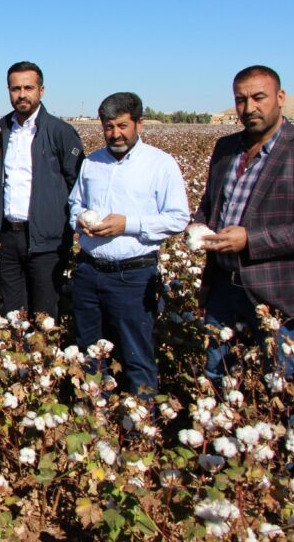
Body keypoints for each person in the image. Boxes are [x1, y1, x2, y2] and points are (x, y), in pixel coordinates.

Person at [191, 65, 294, 383]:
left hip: (277, 293)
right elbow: (210, 206)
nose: (249, 108)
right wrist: (198, 228)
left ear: (280, 98)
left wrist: (250, 239)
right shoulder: (226, 148)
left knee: (279, 382)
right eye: (241, 100)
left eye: (258, 97)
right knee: (217, 372)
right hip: (223, 286)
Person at [68, 92, 189, 398]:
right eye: (108, 127)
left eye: (122, 125)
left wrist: (128, 224)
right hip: (89, 271)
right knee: (90, 353)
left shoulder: (160, 164)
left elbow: (178, 218)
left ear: (139, 123)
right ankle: (97, 423)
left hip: (133, 277)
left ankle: (141, 431)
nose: (115, 134)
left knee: (137, 356)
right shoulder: (92, 162)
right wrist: (79, 219)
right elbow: (74, 203)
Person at [0, 61, 84, 317]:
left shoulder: (60, 132)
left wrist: (64, 227)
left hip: (47, 241)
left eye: (28, 87)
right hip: (11, 237)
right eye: (15, 88)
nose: (22, 94)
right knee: (13, 314)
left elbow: (76, 183)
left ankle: (41, 355)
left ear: (41, 91)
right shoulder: (6, 131)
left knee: (44, 314)